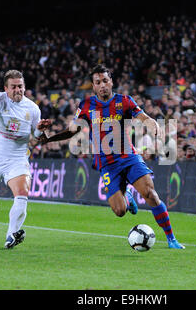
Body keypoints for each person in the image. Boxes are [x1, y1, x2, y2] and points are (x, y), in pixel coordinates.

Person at [39, 64, 185, 249]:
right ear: (93, 86)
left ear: (111, 82)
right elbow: (71, 130)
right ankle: (127, 195)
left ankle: (171, 238)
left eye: (105, 81)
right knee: (120, 211)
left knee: (150, 194)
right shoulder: (86, 106)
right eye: (98, 82)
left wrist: (152, 123)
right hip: (106, 164)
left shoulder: (124, 101)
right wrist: (50, 137)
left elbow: (142, 116)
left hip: (128, 156)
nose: (102, 85)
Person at [0, 70, 51, 249]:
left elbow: (37, 136)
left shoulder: (33, 108)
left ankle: (11, 235)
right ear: (6, 88)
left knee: (22, 193)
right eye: (13, 87)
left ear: (24, 87)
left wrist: (41, 130)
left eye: (20, 86)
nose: (17, 90)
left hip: (17, 159)